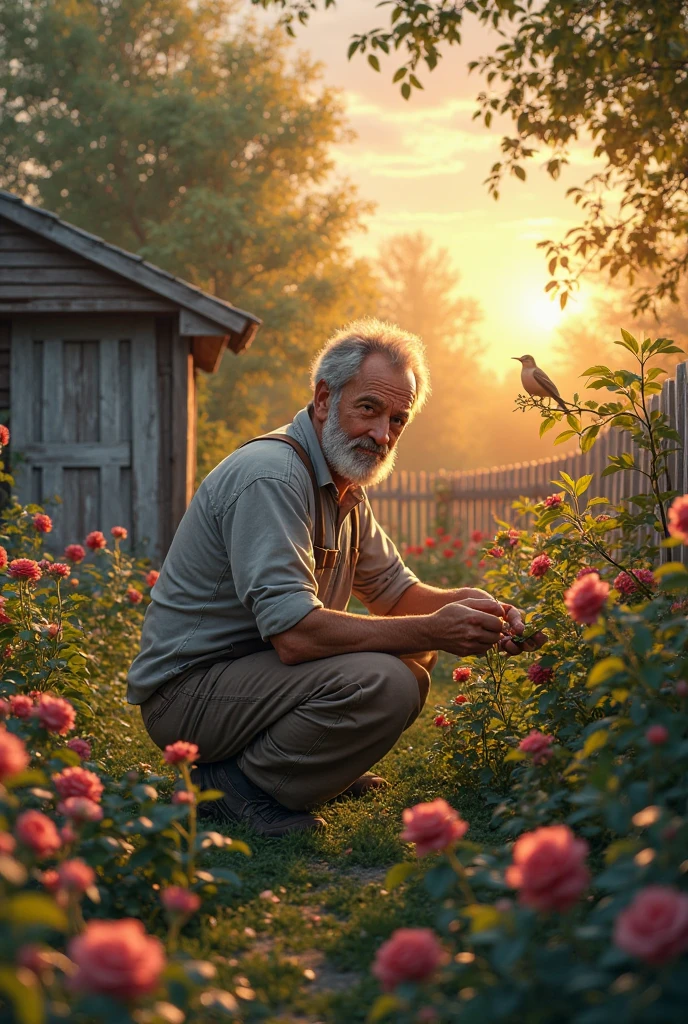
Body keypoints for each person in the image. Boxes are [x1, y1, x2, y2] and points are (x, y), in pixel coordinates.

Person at [127, 318, 546, 836]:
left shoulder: (342, 484)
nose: (382, 433)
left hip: (245, 676)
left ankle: (310, 766)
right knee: (387, 680)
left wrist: (479, 605)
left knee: (412, 654)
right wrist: (437, 627)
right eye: (368, 409)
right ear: (325, 399)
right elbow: (297, 635)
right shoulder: (273, 475)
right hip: (187, 693)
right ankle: (235, 788)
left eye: (398, 419)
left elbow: (396, 594)